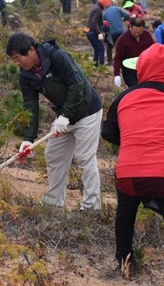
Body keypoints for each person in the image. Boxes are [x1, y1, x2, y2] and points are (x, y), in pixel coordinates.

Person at [102, 43, 164, 285]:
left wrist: (131, 140)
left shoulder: (123, 97)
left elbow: (108, 133)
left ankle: (124, 265)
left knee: (125, 217)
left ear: (141, 67)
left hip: (128, 173)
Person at [6, 33, 102, 211]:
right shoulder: (25, 75)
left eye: (18, 58)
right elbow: (30, 106)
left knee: (85, 159)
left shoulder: (56, 56)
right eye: (13, 60)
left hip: (87, 111)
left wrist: (65, 115)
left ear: (31, 50)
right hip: (64, 118)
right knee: (54, 155)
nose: (17, 63)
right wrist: (28, 138)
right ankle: (54, 203)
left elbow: (77, 85)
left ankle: (91, 208)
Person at [113, 18, 154, 88]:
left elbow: (153, 50)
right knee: (136, 89)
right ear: (130, 28)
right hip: (129, 72)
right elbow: (118, 57)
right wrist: (117, 74)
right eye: (134, 32)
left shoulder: (147, 36)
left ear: (143, 29)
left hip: (145, 70)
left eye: (139, 32)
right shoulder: (123, 39)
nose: (136, 34)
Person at [86, 0, 111, 67]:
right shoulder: (98, 9)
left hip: (88, 30)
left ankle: (95, 65)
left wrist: (102, 22)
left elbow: (92, 19)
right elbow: (94, 22)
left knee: (96, 49)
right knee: (101, 48)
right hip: (92, 31)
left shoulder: (95, 6)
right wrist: (99, 33)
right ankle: (101, 67)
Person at [102, 0, 129, 66]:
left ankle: (110, 61)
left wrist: (105, 31)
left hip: (111, 33)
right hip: (120, 31)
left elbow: (102, 25)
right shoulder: (118, 9)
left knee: (109, 47)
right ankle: (124, 60)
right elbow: (127, 15)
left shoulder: (104, 13)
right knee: (122, 46)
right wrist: (123, 18)